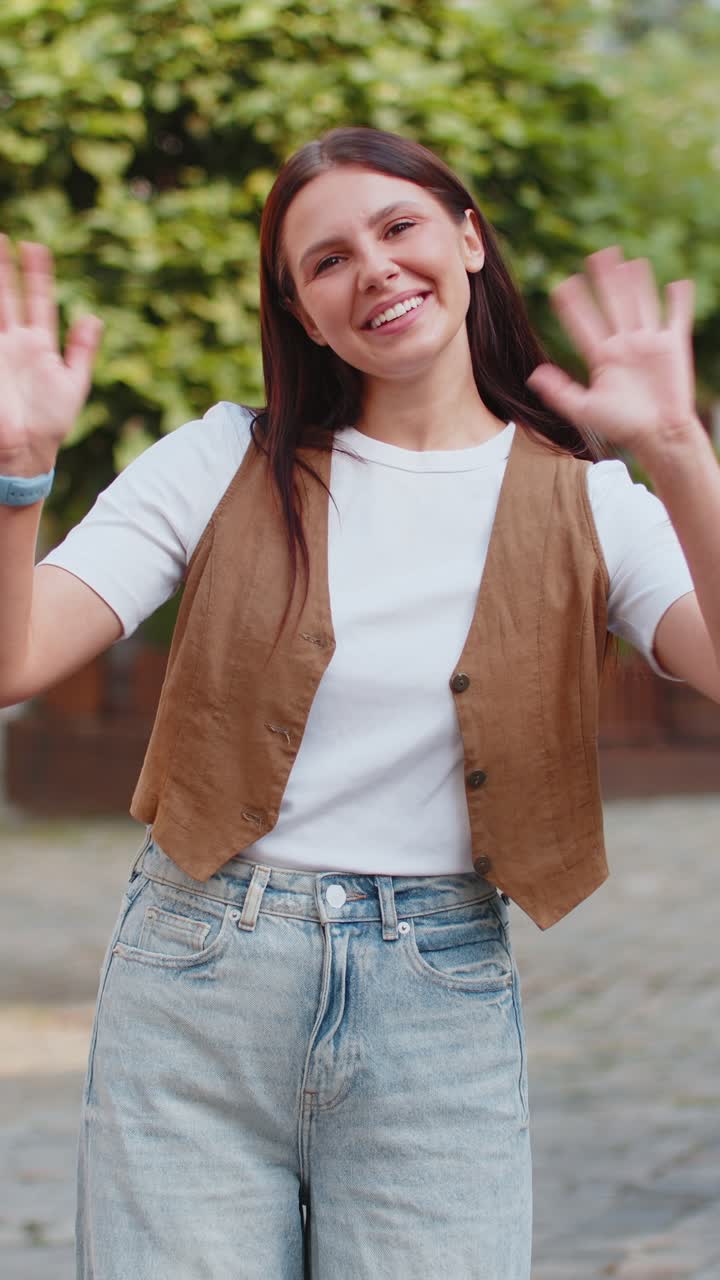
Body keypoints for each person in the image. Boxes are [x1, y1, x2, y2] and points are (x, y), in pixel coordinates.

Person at [0, 126, 718, 1280]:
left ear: (468, 240)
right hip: (197, 980)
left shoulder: (594, 500)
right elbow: (18, 653)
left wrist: (679, 448)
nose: (372, 268)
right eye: (325, 261)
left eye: (398, 228)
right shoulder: (219, 461)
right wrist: (19, 469)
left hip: (438, 999)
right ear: (303, 314)